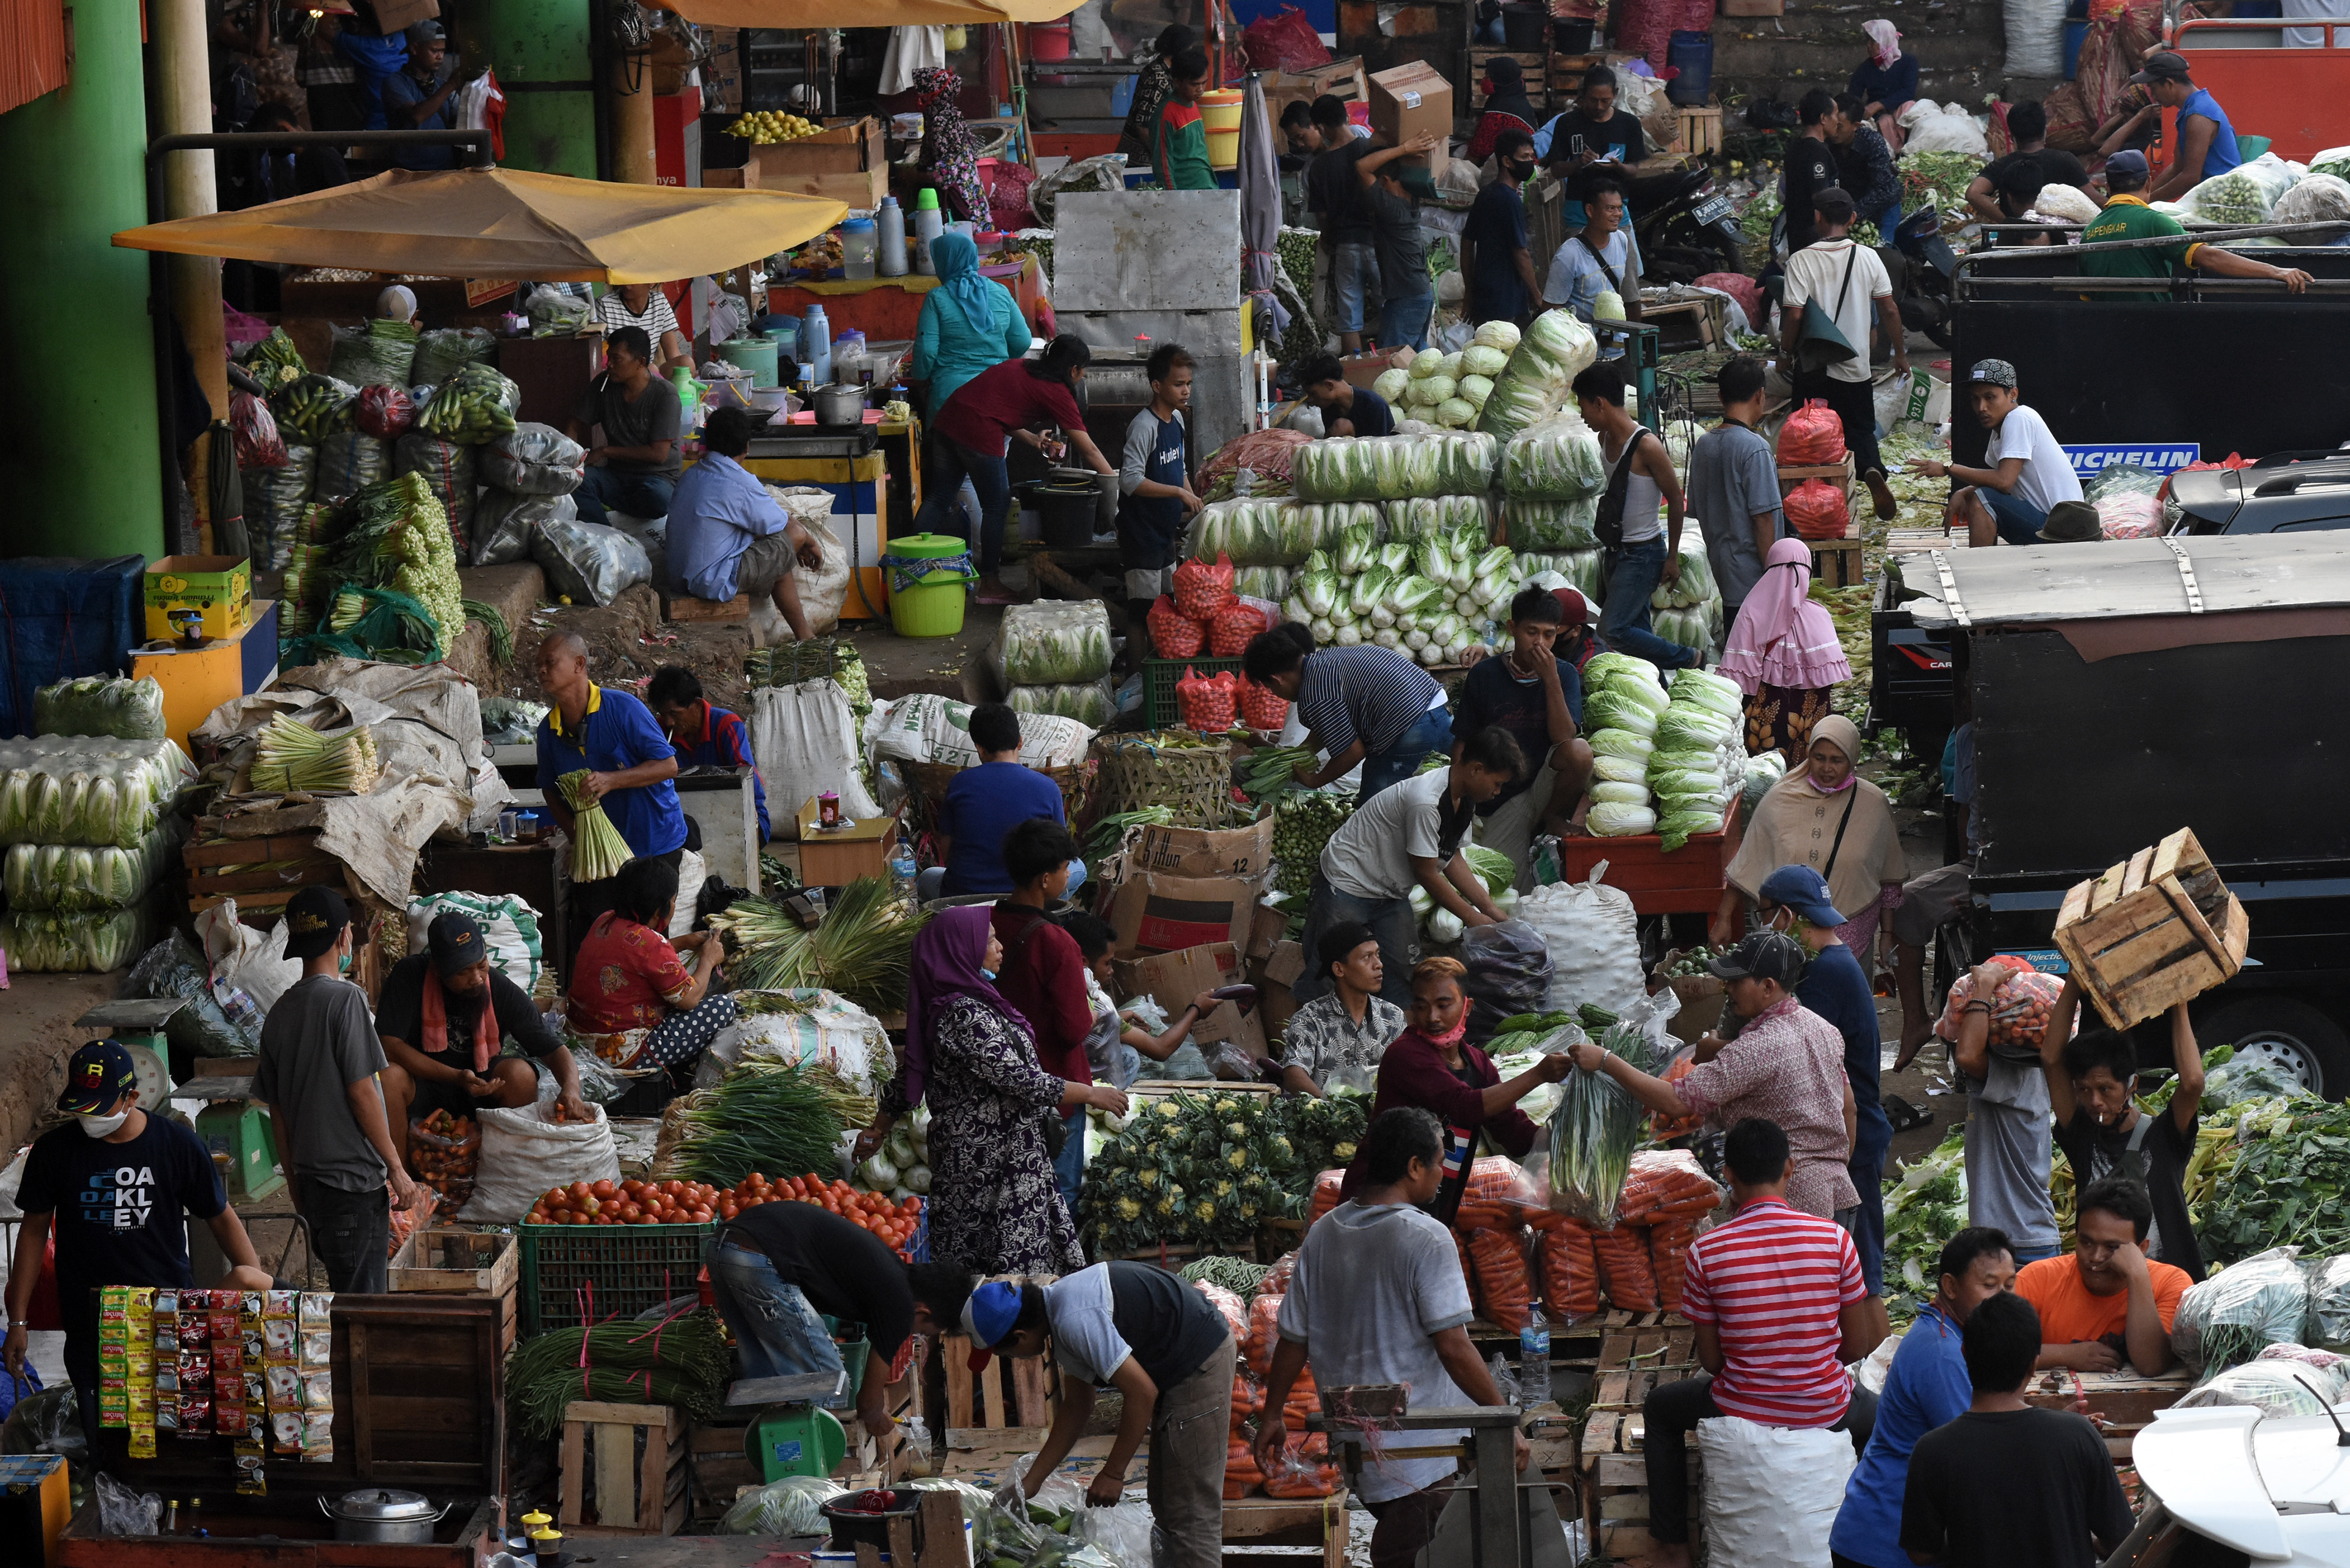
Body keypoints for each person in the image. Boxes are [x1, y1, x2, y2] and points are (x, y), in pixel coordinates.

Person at [1261, 1107, 1532, 1568]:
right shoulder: (1426, 1236)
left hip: (1357, 1444)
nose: (1442, 1176)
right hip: (1416, 1449)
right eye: (1438, 1162)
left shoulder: (1325, 1232)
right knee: (1413, 1550)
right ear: (1413, 1166)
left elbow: (1293, 1338)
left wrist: (1272, 1414)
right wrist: (1502, 1418)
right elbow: (1453, 1344)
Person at [1639, 1117, 1884, 1568]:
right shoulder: (1836, 1239)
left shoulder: (1706, 1251)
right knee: (1884, 1421)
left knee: (1659, 1409)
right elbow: (1857, 1346)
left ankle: (1672, 1546)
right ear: (1790, 1168)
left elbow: (1712, 1361)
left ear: (1728, 1175)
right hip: (1825, 1405)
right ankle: (1876, 1537)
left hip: (1742, 1404)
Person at [5, 1040, 274, 1431]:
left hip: (166, 1318)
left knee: (174, 1428)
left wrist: (253, 1274)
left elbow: (220, 1216)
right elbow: (32, 1232)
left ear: (132, 1096)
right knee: (106, 1435)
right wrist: (18, 1321)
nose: (87, 1117)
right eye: (79, 1107)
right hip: (90, 1324)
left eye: (98, 1108)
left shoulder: (177, 1145)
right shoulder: (54, 1152)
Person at [855, 906, 1124, 1275]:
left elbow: (911, 1075)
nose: (1001, 947)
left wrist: (878, 1129)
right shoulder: (963, 1014)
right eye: (991, 940)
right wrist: (1092, 1094)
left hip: (997, 1155)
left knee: (994, 1264)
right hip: (989, 1163)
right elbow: (1021, 1080)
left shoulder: (970, 1002)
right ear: (961, 950)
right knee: (1000, 1267)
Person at [1573, 933, 1862, 1218]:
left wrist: (1606, 1061)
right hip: (1840, 1193)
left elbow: (1676, 1102)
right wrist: (1833, 1168)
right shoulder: (1824, 1030)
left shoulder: (1755, 1048)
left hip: (1791, 1204)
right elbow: (1849, 1109)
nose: (1728, 988)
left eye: (1737, 981)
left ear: (1768, 987)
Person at [964, 1267, 1233, 1568]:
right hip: (1174, 1367)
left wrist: (1114, 1473)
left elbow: (1142, 1393)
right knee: (1166, 1503)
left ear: (1020, 1336)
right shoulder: (1058, 1312)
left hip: (1199, 1360)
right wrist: (1030, 1484)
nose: (1014, 1361)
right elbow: (1078, 1406)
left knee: (1191, 1514)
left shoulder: (1072, 1319)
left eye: (1006, 1355)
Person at [254, 886, 425, 1294]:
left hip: (314, 1187)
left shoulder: (278, 1013)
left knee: (348, 1300)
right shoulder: (346, 1000)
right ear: (344, 937)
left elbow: (277, 1111)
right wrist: (398, 1170)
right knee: (362, 1310)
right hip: (353, 1187)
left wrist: (295, 1185)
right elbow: (362, 1091)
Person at [1901, 1292, 2136, 1568]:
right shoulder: (2077, 1435)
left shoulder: (1933, 1450)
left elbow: (1921, 1553)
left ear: (1964, 1353)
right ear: (2035, 1364)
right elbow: (2121, 1539)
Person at [708, 1207, 966, 1457]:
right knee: (830, 1385)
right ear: (923, 1312)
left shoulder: (891, 1272)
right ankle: (827, 1481)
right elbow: (867, 1403)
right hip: (759, 1259)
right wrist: (880, 1420)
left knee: (767, 1380)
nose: (917, 1335)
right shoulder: (900, 1306)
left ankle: (765, 1465)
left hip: (725, 1245)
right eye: (924, 1330)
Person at [1829, 1228, 2018, 1568]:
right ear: (1950, 1287)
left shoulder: (1949, 1334)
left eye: (2009, 1286)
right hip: (1886, 1541)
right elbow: (1980, 1452)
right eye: (1989, 1286)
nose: (2003, 1299)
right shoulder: (1941, 1353)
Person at [1294, 731, 1522, 1010]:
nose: (1497, 791)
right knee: (1333, 973)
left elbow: (1452, 860)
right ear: (1476, 770)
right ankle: (1307, 1041)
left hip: (1389, 889)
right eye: (1497, 783)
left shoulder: (1463, 799)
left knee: (1402, 970)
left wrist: (1493, 912)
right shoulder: (1427, 801)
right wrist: (1474, 919)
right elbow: (1426, 873)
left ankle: (1394, 1044)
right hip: (1348, 882)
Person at [1343, 958, 1572, 1223]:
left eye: (1443, 1005)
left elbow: (1514, 1134)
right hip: (1377, 1208)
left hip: (1434, 1209)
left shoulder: (1478, 1063)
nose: (1432, 1017)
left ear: (1467, 1007)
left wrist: (1566, 1136)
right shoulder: (1406, 1055)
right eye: (1421, 1006)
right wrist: (1539, 1074)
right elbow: (1465, 1106)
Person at [1755, 867, 1892, 1294]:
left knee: (1861, 1273)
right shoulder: (1833, 959)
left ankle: (1868, 1357)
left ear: (1787, 916)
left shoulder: (1825, 973)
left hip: (1855, 1136)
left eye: (1764, 915)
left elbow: (1795, 1050)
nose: (1762, 925)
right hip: (1853, 1130)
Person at [377, 911, 588, 1161]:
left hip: (482, 1089)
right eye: (463, 972)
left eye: (481, 965)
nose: (476, 978)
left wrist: (572, 1090)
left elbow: (554, 1049)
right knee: (388, 1076)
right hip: (425, 1085)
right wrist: (455, 1076)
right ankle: (403, 1180)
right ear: (438, 968)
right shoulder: (410, 975)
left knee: (520, 1075)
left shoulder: (498, 988)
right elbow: (388, 1045)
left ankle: (511, 1166)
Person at [535, 631, 688, 964]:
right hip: (601, 858)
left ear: (579, 665)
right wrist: (577, 838)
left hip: (653, 845)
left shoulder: (623, 709)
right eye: (539, 665)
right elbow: (549, 788)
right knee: (601, 940)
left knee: (648, 940)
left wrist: (611, 780)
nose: (542, 671)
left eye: (550, 663)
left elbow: (669, 765)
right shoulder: (548, 730)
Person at [927, 336, 1116, 605]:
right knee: (997, 506)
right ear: (1074, 370)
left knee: (937, 500)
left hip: (948, 421)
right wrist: (1115, 485)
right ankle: (990, 584)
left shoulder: (1020, 367)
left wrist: (1032, 439)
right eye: (1083, 370)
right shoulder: (1057, 391)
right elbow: (1090, 451)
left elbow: (993, 408)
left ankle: (903, 569)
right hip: (977, 433)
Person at [2041, 978, 2206, 1280]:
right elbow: (2051, 1060)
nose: (2095, 1102)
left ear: (2132, 1085)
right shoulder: (2082, 1135)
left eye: (2106, 1089)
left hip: (2168, 1284)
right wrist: (2075, 982)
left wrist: (2179, 1000)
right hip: (2103, 1285)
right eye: (2084, 1090)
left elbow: (2193, 1083)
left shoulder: (2163, 1137)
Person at [986, 820, 1100, 1210]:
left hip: (999, 1087)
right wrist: (1091, 1013)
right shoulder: (1057, 942)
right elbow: (1073, 1028)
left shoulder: (988, 925)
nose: (1070, 874)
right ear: (1046, 878)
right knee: (1058, 1194)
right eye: (1066, 867)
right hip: (1054, 1089)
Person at [1719, 716, 1902, 954]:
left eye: (1837, 760)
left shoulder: (1873, 804)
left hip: (1852, 939)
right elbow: (1747, 864)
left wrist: (1887, 936)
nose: (1827, 769)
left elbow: (1889, 880)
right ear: (1809, 755)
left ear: (1853, 759)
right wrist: (1723, 919)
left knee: (1850, 990)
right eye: (1819, 758)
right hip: (1786, 939)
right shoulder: (1780, 798)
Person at [1781, 187, 1907, 521]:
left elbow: (1793, 315)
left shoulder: (1801, 260)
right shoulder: (1868, 257)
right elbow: (1890, 310)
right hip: (1854, 365)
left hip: (1813, 366)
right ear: (1852, 218)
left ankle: (1819, 500)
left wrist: (1785, 350)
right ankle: (1870, 470)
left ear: (1817, 217)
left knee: (1811, 436)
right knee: (1860, 429)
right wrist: (1900, 354)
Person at [566, 854, 737, 1098]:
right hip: (624, 1055)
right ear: (660, 911)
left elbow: (636, 956)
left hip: (581, 1040)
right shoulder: (653, 946)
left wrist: (682, 943)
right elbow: (690, 999)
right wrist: (708, 960)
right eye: (674, 901)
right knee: (722, 1006)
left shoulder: (605, 921)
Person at [1450, 585, 1593, 862]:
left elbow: (1564, 738)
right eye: (1532, 632)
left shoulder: (1564, 674)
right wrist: (1457, 796)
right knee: (1507, 877)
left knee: (1580, 751)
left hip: (1545, 783)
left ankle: (1552, 815)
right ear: (1513, 628)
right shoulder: (1485, 675)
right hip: (1501, 792)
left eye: (1549, 634)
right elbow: (1463, 740)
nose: (1540, 643)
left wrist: (1550, 679)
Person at [1574, 362, 1701, 671]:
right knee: (1638, 633)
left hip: (1643, 554)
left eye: (1583, 407)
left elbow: (1674, 498)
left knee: (1612, 629)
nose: (1582, 416)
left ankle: (1690, 658)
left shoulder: (1647, 445)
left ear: (1600, 404)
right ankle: (1659, 685)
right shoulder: (1604, 440)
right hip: (1616, 553)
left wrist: (1671, 558)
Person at [1243, 624, 1453, 799]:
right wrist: (1302, 753)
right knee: (1430, 801)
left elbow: (1353, 753)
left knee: (1375, 812)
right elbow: (1324, 730)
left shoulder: (1313, 692)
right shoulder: (1322, 664)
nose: (1275, 693)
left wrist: (1315, 780)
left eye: (1270, 687)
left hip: (1414, 724)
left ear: (1277, 679)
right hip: (1440, 711)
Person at [663, 407, 821, 639]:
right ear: (747, 447)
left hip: (678, 575)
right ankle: (805, 635)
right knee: (793, 536)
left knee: (776, 552)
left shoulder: (692, 474)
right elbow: (785, 526)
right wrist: (809, 541)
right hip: (710, 581)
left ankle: (805, 635)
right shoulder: (738, 481)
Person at [2081, 148, 2314, 301]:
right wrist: (2276, 271)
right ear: (2149, 183)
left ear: (2108, 188)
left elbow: (2086, 299)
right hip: (2149, 331)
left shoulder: (2089, 233)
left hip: (2106, 336)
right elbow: (2209, 257)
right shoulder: (2152, 221)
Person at [1946, 958, 2062, 1264]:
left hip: (2022, 1244)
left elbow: (1968, 1054)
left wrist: (1983, 988)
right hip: (2012, 1241)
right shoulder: (2023, 1066)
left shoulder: (2017, 1076)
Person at [1906, 359, 2084, 547]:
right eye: (1976, 398)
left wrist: (1948, 468)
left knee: (1982, 499)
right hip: (2052, 528)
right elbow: (2003, 485)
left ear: (2013, 394)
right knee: (1979, 495)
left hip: (2065, 534)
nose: (1981, 407)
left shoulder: (2019, 418)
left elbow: (2003, 482)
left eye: (1990, 397)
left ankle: (1980, 571)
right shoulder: (2000, 431)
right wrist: (1964, 492)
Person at [2019, 1177, 2188, 1373]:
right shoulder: (2038, 1278)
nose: (2096, 1257)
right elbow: (1991, 1353)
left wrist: (2138, 1276)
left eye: (2112, 1247)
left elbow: (2152, 1364)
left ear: (2142, 1248)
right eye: (2086, 1243)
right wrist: (2066, 1355)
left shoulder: (2170, 1282)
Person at [918, 703, 1080, 899]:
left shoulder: (959, 783)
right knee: (1078, 868)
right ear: (1020, 742)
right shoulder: (1048, 788)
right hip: (1023, 897)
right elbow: (1060, 853)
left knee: (928, 876)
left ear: (980, 749)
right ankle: (1049, 918)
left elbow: (947, 849)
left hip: (964, 896)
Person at [1718, 538, 1855, 766]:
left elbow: (1737, 678)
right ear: (1808, 572)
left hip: (1762, 728)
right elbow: (1829, 682)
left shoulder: (1751, 611)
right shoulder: (1819, 615)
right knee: (1805, 776)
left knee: (1765, 776)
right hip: (1811, 727)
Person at [1056, 911, 1222, 1090]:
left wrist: (1117, 1021)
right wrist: (1196, 1009)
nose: (1111, 971)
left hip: (1069, 1081)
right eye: (1108, 963)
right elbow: (1161, 1049)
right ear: (1083, 962)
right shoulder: (1098, 1004)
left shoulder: (1061, 989)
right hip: (1086, 1090)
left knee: (1129, 1052)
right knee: (1129, 1056)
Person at [1688, 356, 1785, 620]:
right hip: (1753, 579)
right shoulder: (1755, 448)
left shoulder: (1703, 446)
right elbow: (1763, 519)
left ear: (1720, 396)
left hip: (1720, 574)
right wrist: (1774, 576)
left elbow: (1695, 513)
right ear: (1761, 395)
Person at [1276, 922, 1408, 1097]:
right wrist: (1333, 1110)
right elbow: (1294, 1074)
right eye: (1367, 957)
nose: (1379, 965)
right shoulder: (1310, 1019)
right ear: (1339, 969)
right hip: (1325, 1119)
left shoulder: (1393, 1017)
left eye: (1378, 955)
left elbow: (1406, 1073)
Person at [567, 326, 683, 526]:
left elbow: (658, 454)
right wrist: (569, 461)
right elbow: (574, 425)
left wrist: (604, 451)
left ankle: (611, 513)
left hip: (656, 478)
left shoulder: (665, 394)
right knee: (576, 482)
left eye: (617, 359)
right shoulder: (604, 384)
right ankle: (607, 536)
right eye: (608, 357)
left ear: (640, 362)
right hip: (616, 475)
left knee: (658, 498)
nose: (609, 365)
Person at [649, 664, 773, 844]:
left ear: (697, 705)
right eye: (663, 714)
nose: (669, 721)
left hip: (738, 814)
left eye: (674, 714)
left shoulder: (727, 725)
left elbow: (746, 777)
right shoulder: (660, 729)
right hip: (683, 820)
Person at [914, 230, 1030, 420]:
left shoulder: (937, 298)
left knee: (949, 449)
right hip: (999, 396)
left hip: (951, 399)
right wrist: (995, 360)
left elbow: (926, 351)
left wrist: (919, 379)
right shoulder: (1001, 291)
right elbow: (1023, 341)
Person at [1535, 65, 1651, 231]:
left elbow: (1633, 171)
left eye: (1605, 100)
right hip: (1579, 211)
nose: (1599, 106)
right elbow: (1556, 170)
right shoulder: (1567, 123)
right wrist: (1579, 163)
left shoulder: (1629, 124)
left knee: (1624, 257)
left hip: (1617, 212)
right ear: (1583, 95)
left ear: (1616, 94)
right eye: (1593, 100)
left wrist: (1618, 166)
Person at [1307, 97, 1380, 354]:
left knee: (1350, 319)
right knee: (1391, 308)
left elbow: (1323, 217)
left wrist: (1327, 241)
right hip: (1378, 243)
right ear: (1346, 117)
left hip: (1346, 246)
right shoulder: (1371, 149)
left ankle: (1356, 374)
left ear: (1321, 128)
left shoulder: (1319, 167)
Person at [1358, 132, 1443, 351]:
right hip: (1420, 293)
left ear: (1385, 181)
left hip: (1407, 298)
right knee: (1415, 359)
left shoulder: (1391, 208)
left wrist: (1405, 148)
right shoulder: (1411, 199)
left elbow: (1362, 167)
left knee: (1391, 363)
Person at [1541, 179, 1644, 356]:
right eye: (1610, 208)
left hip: (1618, 348)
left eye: (1620, 208)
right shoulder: (1569, 255)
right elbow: (1551, 310)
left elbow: (1631, 297)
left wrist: (1634, 343)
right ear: (1590, 210)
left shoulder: (1622, 240)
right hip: (1583, 354)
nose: (1617, 214)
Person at [2129, 52, 2242, 202]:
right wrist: (2143, 195)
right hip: (2209, 197)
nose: (2153, 96)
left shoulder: (2199, 115)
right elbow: (2177, 167)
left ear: (2169, 84)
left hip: (2224, 201)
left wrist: (2144, 203)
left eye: (2153, 88)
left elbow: (2190, 177)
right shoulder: (2189, 110)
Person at [1462, 129, 1541, 325]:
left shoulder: (1486, 194)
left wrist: (1470, 292)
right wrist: (1538, 295)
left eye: (1532, 157)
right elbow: (1521, 253)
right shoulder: (1509, 200)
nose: (1530, 162)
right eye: (1524, 157)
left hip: (1486, 296)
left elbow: (1466, 243)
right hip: (1506, 301)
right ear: (1507, 161)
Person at [1965, 102, 2089, 224]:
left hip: (2016, 239)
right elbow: (2093, 199)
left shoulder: (2002, 165)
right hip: (2060, 239)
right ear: (2045, 132)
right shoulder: (2065, 160)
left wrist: (2007, 223)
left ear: (2011, 136)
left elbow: (1973, 193)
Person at [383, 22, 469, 172]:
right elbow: (417, 115)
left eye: (442, 51)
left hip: (444, 170)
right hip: (407, 172)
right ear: (415, 49)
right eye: (434, 51)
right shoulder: (396, 82)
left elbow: (460, 118)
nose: (440, 57)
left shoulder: (440, 85)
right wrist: (451, 85)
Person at [1119, 25, 1197, 167]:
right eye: (1189, 49)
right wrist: (1163, 157)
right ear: (1180, 49)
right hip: (1142, 160)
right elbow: (1142, 125)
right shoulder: (1158, 76)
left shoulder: (1167, 70)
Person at [1828, 93, 1903, 235]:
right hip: (1851, 207)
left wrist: (1853, 214)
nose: (1834, 132)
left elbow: (1882, 190)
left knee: (1880, 251)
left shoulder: (1872, 143)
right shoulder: (1827, 144)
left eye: (1840, 127)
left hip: (1883, 206)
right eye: (1833, 125)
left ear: (1855, 126)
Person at [1782, 90, 1842, 254]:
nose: (1838, 121)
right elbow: (1821, 198)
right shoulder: (1816, 152)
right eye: (1835, 115)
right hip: (1814, 236)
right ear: (1823, 118)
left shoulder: (1797, 146)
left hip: (1797, 230)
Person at [1849, 21, 1919, 153]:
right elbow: (1853, 96)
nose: (1868, 46)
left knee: (1908, 107)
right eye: (1867, 42)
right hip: (1880, 117)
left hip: (1902, 113)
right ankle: (1895, 156)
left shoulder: (1908, 62)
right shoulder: (1866, 68)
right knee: (1885, 121)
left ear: (1884, 41)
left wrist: (1880, 104)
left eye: (1873, 42)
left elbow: (1908, 92)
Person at [594, 282, 691, 372]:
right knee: (651, 369)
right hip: (617, 373)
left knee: (685, 363)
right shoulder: (605, 304)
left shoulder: (660, 302)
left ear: (651, 283)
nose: (627, 286)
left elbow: (674, 355)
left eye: (633, 281)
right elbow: (597, 357)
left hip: (647, 372)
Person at [1155, 46, 1215, 192]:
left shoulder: (1193, 105)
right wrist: (1173, 198)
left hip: (1207, 186)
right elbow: (1163, 164)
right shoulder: (1167, 113)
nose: (1201, 89)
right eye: (1194, 84)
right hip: (1185, 193)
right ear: (1177, 82)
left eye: (1203, 83)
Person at [1297, 351, 1395, 439]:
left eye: (1313, 393)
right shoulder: (1329, 406)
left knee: (1341, 427)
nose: (1310, 399)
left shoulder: (1375, 405)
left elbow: (1383, 448)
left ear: (1329, 385)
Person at [1467, 56, 1541, 164]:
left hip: (1512, 169)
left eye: (1488, 76)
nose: (1484, 80)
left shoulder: (1498, 114)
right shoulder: (1518, 100)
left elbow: (1476, 153)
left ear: (1502, 79)